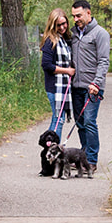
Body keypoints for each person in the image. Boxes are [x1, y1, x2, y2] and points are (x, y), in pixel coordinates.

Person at [69, 0, 110, 176]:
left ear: (88, 13)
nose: (76, 19)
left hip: (93, 87)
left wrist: (96, 82)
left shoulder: (100, 34)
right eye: (73, 16)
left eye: (78, 15)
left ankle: (92, 160)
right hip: (76, 86)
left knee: (89, 122)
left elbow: (103, 61)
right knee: (80, 124)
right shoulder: (73, 34)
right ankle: (83, 156)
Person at [39, 9, 74, 137]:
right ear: (52, 25)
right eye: (58, 25)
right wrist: (67, 71)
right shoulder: (50, 41)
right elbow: (46, 64)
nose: (62, 27)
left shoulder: (64, 39)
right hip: (54, 87)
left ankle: (50, 149)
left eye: (64, 23)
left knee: (57, 119)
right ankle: (52, 148)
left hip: (62, 87)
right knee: (58, 120)